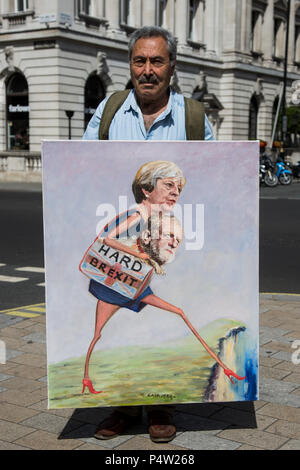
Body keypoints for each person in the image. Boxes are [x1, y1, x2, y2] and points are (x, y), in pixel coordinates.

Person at [82, 25, 215, 443]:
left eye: (157, 61)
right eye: (140, 61)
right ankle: (121, 404)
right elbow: (84, 169)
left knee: (163, 324)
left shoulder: (194, 119)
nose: (148, 70)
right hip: (122, 271)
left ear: (171, 66)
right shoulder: (107, 112)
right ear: (131, 65)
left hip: (161, 258)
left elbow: (212, 186)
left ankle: (161, 403)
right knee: (111, 331)